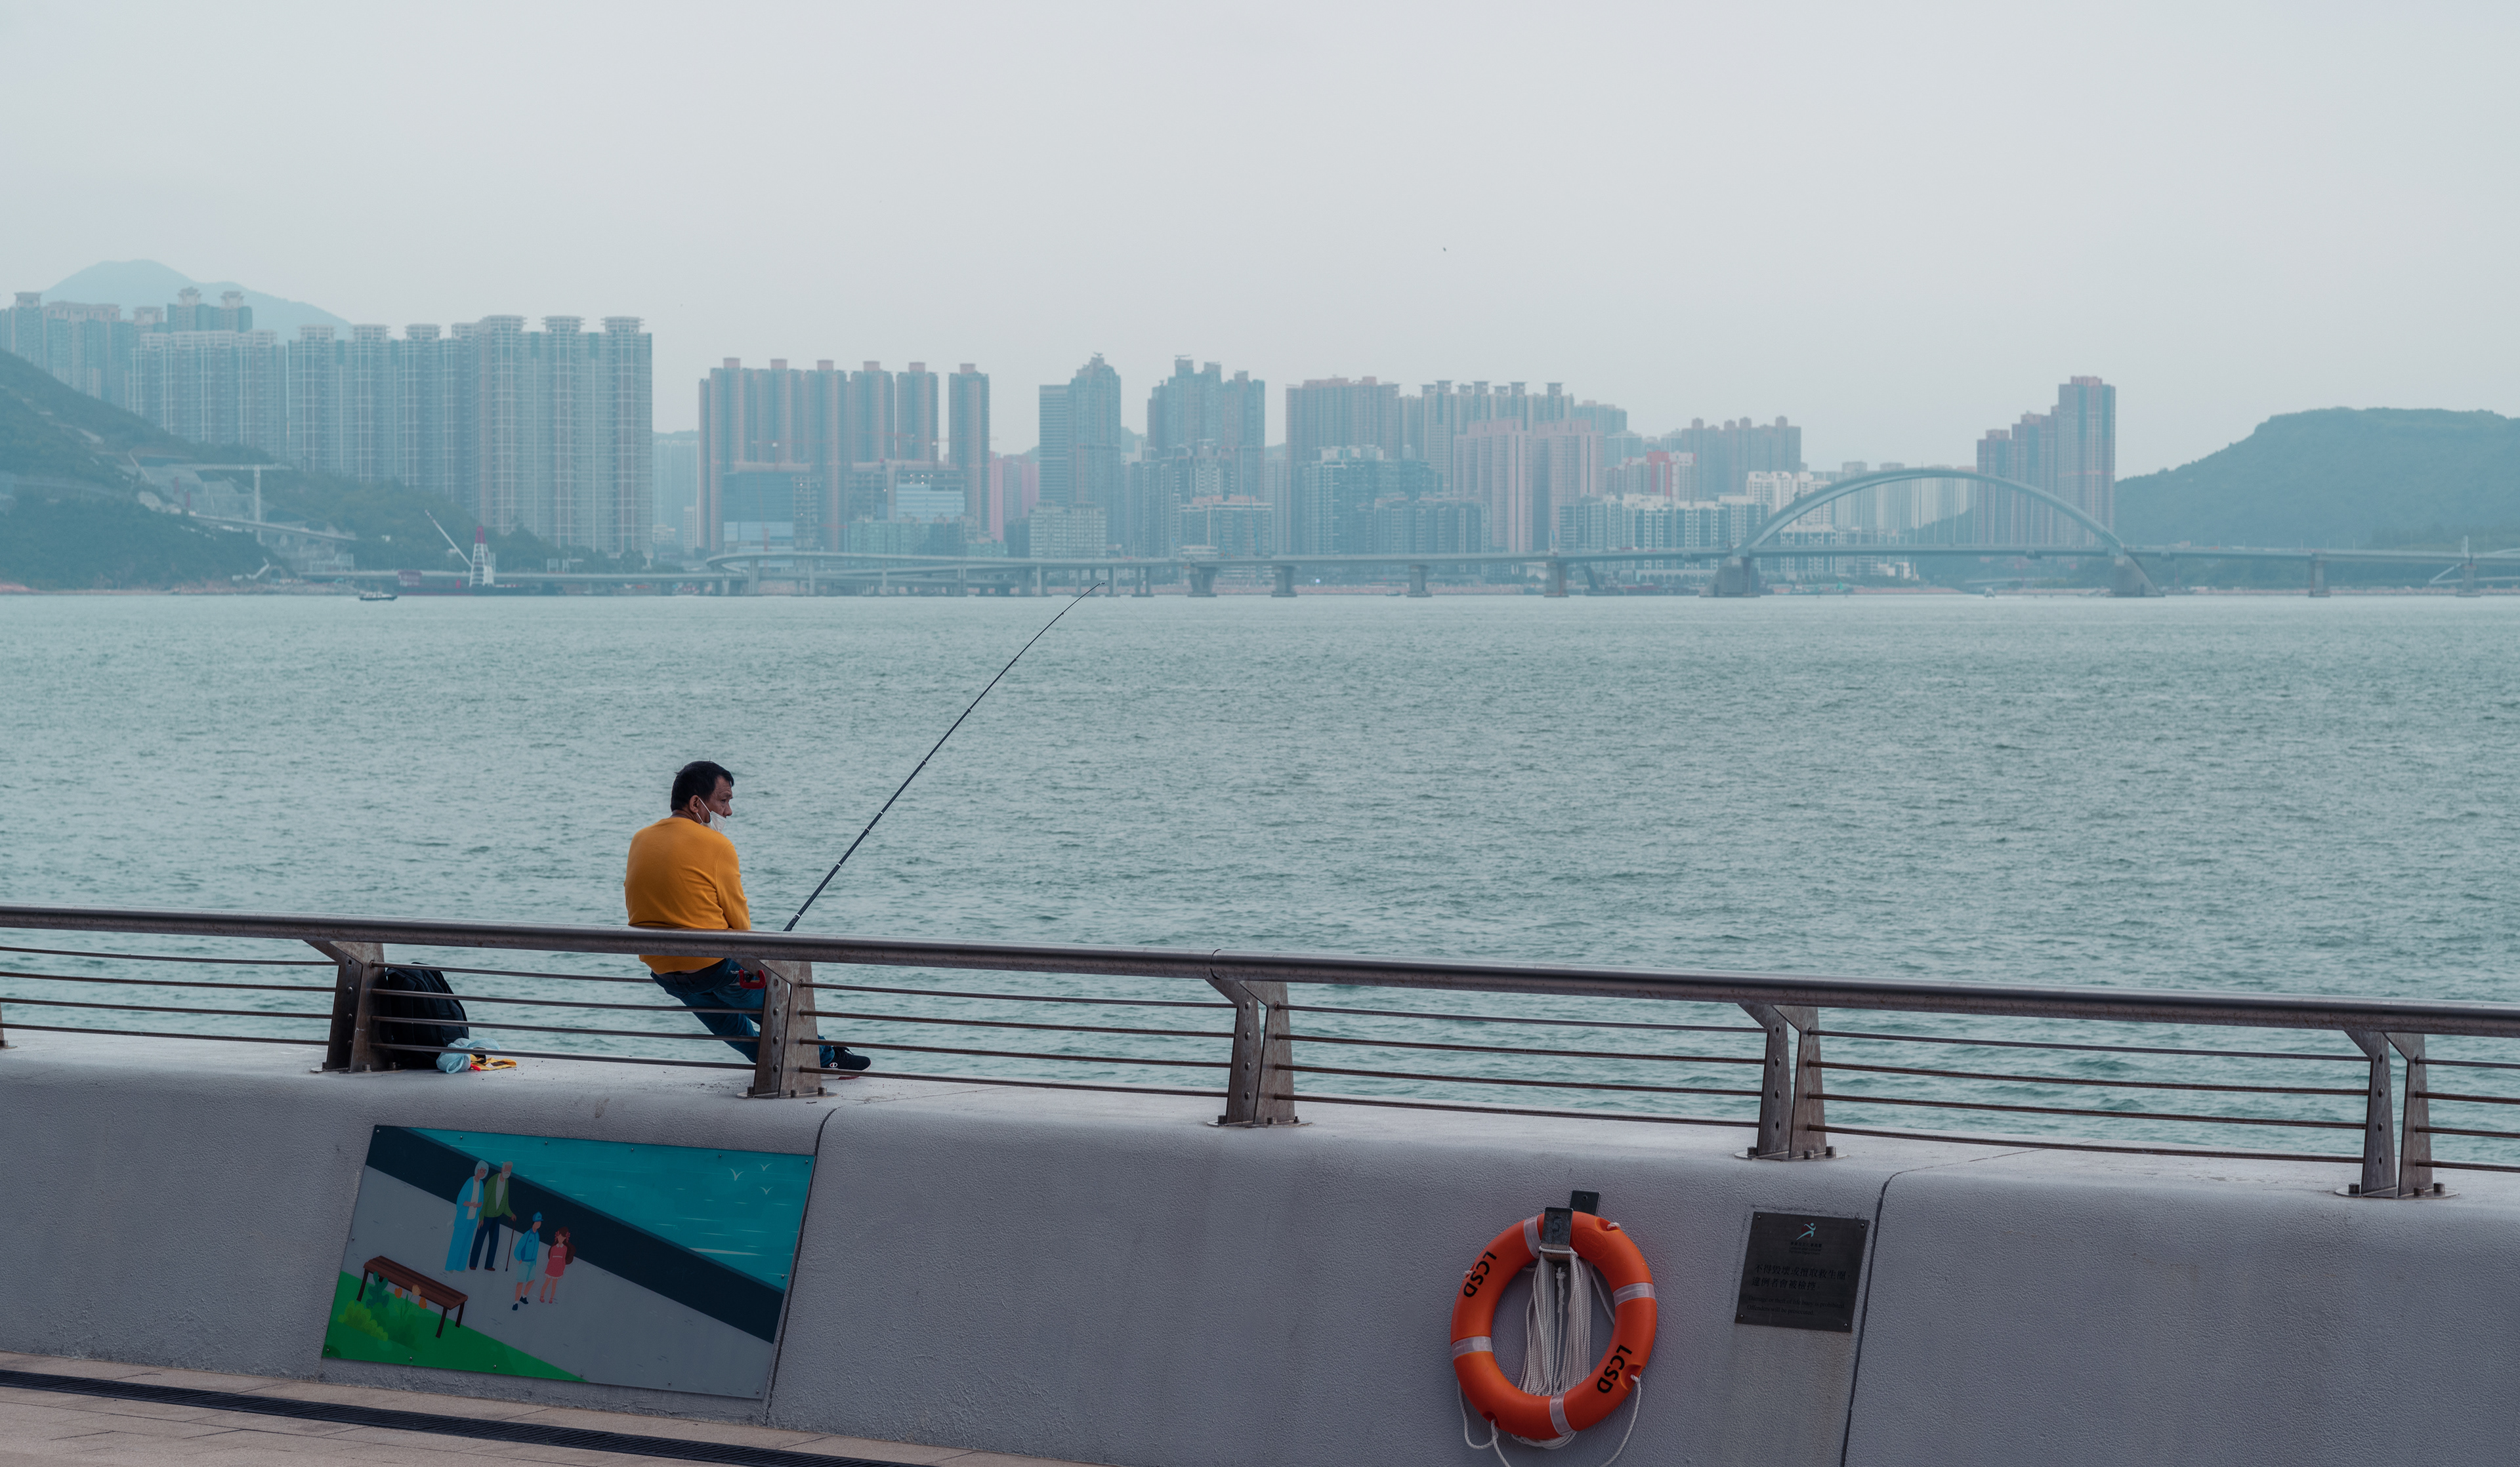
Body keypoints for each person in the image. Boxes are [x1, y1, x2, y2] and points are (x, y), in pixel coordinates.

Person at [624, 760, 868, 1074]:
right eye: (723, 801)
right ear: (696, 803)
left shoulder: (640, 839)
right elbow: (740, 927)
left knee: (733, 1025)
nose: (728, 812)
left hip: (664, 972)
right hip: (712, 967)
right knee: (780, 1006)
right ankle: (824, 1057)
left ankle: (767, 1059)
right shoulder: (717, 845)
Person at [469, 1159, 516, 1270]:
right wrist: (481, 1218)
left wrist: (511, 1214)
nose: (507, 1172)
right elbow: (484, 1200)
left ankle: (489, 1265)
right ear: (502, 1169)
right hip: (486, 1216)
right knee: (480, 1239)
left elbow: (505, 1204)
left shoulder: (507, 1183)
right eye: (506, 1170)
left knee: (494, 1241)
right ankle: (473, 1264)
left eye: (509, 1171)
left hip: (496, 1217)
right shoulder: (493, 1181)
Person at [446, 1162, 486, 1273]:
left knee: (466, 1244)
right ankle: (450, 1266)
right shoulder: (470, 1181)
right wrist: (471, 1204)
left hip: (472, 1220)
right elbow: (461, 1200)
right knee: (457, 1243)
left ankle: (460, 1267)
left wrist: (479, 1205)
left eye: (484, 1171)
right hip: (463, 1219)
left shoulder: (481, 1185)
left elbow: (482, 1201)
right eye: (481, 1170)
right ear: (477, 1170)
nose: (482, 1173)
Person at [511, 1213, 544, 1308]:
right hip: (524, 1262)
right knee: (521, 1282)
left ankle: (524, 1297)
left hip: (532, 1262)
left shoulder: (537, 1235)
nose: (539, 1224)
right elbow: (518, 1248)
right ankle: (516, 1302)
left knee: (532, 1280)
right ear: (534, 1222)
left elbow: (536, 1250)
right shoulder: (527, 1234)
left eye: (540, 1222)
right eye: (537, 1222)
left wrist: (535, 1263)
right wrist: (519, 1258)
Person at [537, 1227, 573, 1305]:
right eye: (559, 1237)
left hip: (559, 1268)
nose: (561, 1239)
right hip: (552, 1267)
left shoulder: (565, 1248)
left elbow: (563, 1259)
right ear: (557, 1237)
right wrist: (548, 1268)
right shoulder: (553, 1248)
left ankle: (551, 1298)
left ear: (565, 1238)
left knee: (554, 1285)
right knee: (547, 1282)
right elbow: (550, 1259)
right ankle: (542, 1296)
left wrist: (563, 1268)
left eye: (563, 1237)